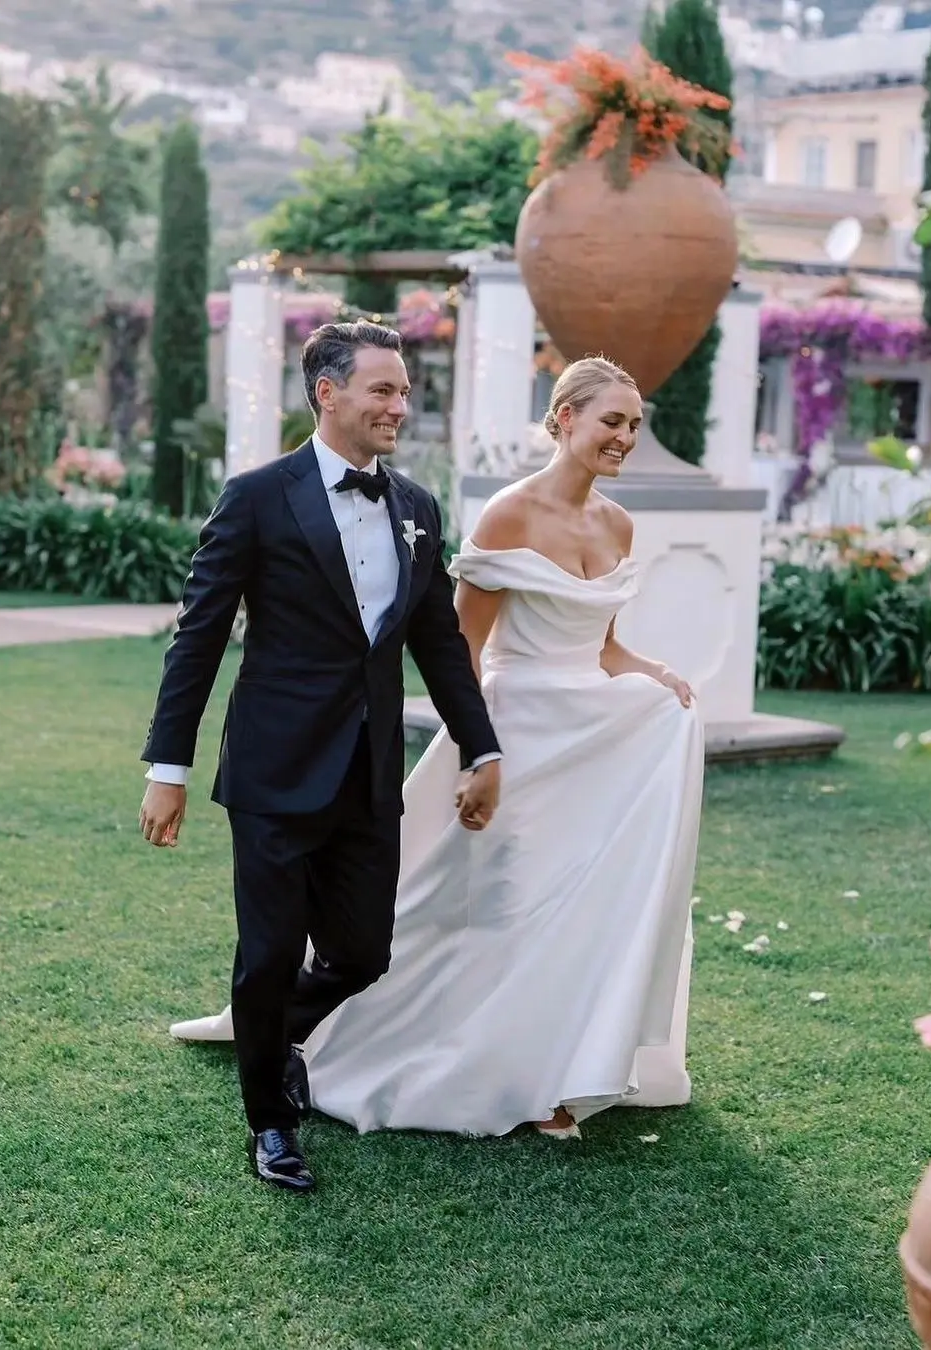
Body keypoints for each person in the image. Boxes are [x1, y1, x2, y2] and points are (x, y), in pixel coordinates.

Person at [170, 355, 705, 1141]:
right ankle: (288, 1073)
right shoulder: (506, 516)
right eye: (610, 421)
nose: (624, 436)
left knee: (580, 906)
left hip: (592, 740)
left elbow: (605, 646)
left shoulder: (611, 523)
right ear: (562, 420)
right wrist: (478, 750)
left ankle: (569, 1068)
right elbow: (463, 648)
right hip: (513, 731)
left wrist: (651, 674)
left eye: (634, 424)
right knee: (491, 906)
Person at [138, 320, 502, 1193]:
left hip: (369, 772)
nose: (399, 406)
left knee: (362, 953)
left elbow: (440, 642)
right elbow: (199, 638)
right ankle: (271, 1122)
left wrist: (479, 745)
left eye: (405, 390)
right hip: (273, 768)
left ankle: (273, 1034)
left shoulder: (416, 507)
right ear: (326, 393)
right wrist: (168, 766)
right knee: (266, 954)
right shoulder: (257, 496)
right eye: (383, 389)